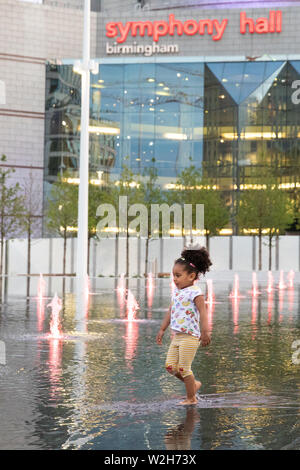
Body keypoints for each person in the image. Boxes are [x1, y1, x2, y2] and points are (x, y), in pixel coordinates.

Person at [156, 245, 212, 405]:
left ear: (191, 276)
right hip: (177, 336)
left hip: (190, 337)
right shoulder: (177, 292)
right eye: (173, 275)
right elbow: (170, 311)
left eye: (178, 275)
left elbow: (203, 312)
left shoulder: (196, 292)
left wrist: (205, 332)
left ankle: (191, 398)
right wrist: (162, 329)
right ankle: (193, 384)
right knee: (170, 367)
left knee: (183, 368)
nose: (174, 278)